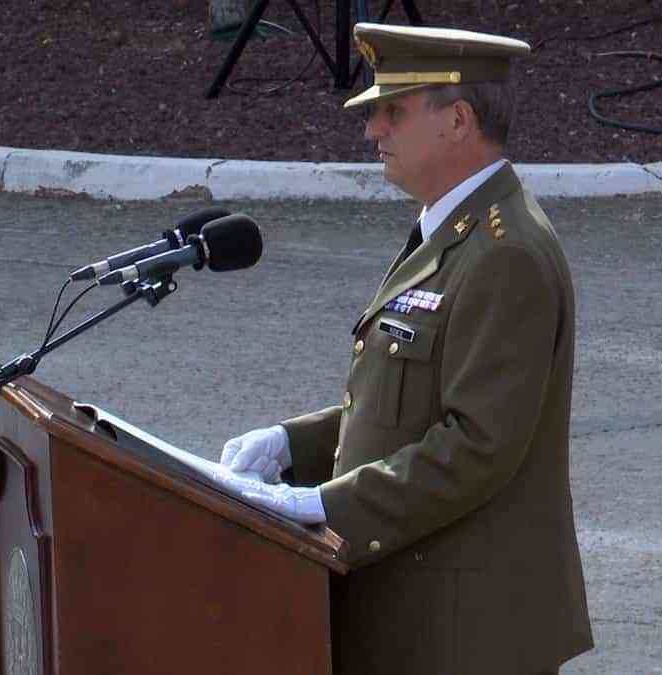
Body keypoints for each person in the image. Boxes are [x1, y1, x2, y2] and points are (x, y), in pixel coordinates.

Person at [214, 23, 593, 674]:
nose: (373, 130)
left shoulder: (506, 252)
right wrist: (292, 445)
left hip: (467, 629)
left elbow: (475, 445)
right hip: (419, 609)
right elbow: (405, 400)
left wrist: (323, 506)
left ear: (458, 120)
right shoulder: (455, 232)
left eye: (395, 110)